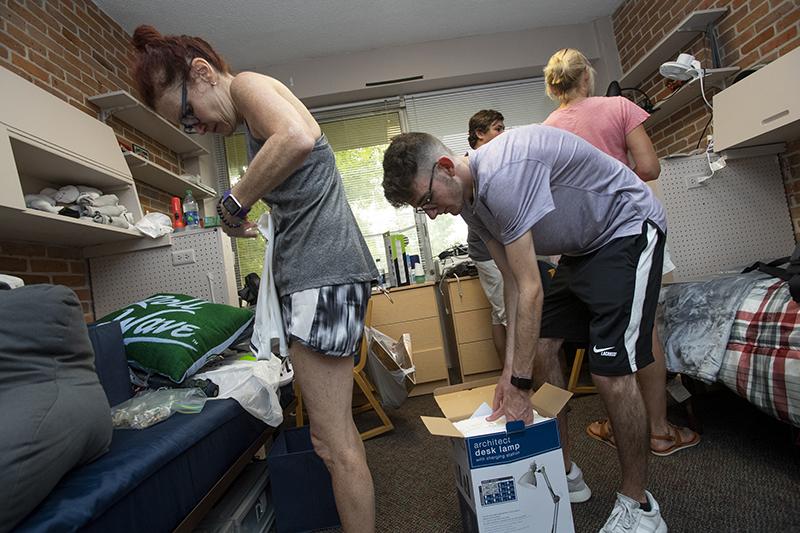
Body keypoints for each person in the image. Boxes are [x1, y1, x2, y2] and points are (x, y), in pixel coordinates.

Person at [131, 26, 378, 532]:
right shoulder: (248, 117)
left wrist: (235, 196)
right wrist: (250, 210)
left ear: (201, 73)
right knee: (333, 441)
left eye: (186, 114)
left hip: (323, 275)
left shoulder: (245, 83)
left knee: (334, 444)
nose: (194, 127)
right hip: (317, 275)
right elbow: (297, 174)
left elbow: (298, 138)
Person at [382, 125, 669, 532]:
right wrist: (508, 374)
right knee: (542, 348)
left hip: (627, 228)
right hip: (582, 248)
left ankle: (640, 505)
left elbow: (532, 289)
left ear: (446, 167)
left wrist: (518, 385)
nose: (430, 213)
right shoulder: (469, 205)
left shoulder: (504, 173)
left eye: (427, 200)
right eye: (420, 208)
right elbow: (515, 285)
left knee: (610, 371)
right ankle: (562, 468)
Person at [543, 47, 699, 457]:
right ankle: (659, 431)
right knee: (642, 332)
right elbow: (648, 167)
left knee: (606, 337)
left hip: (585, 243)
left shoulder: (550, 127)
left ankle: (620, 425)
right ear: (586, 78)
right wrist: (612, 182)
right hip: (630, 231)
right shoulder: (618, 106)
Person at [466, 110, 508, 365]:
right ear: (480, 134)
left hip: (493, 249)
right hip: (487, 251)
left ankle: (508, 373)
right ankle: (523, 380)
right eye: (498, 129)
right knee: (509, 315)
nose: (503, 134)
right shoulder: (476, 164)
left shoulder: (492, 161)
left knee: (499, 313)